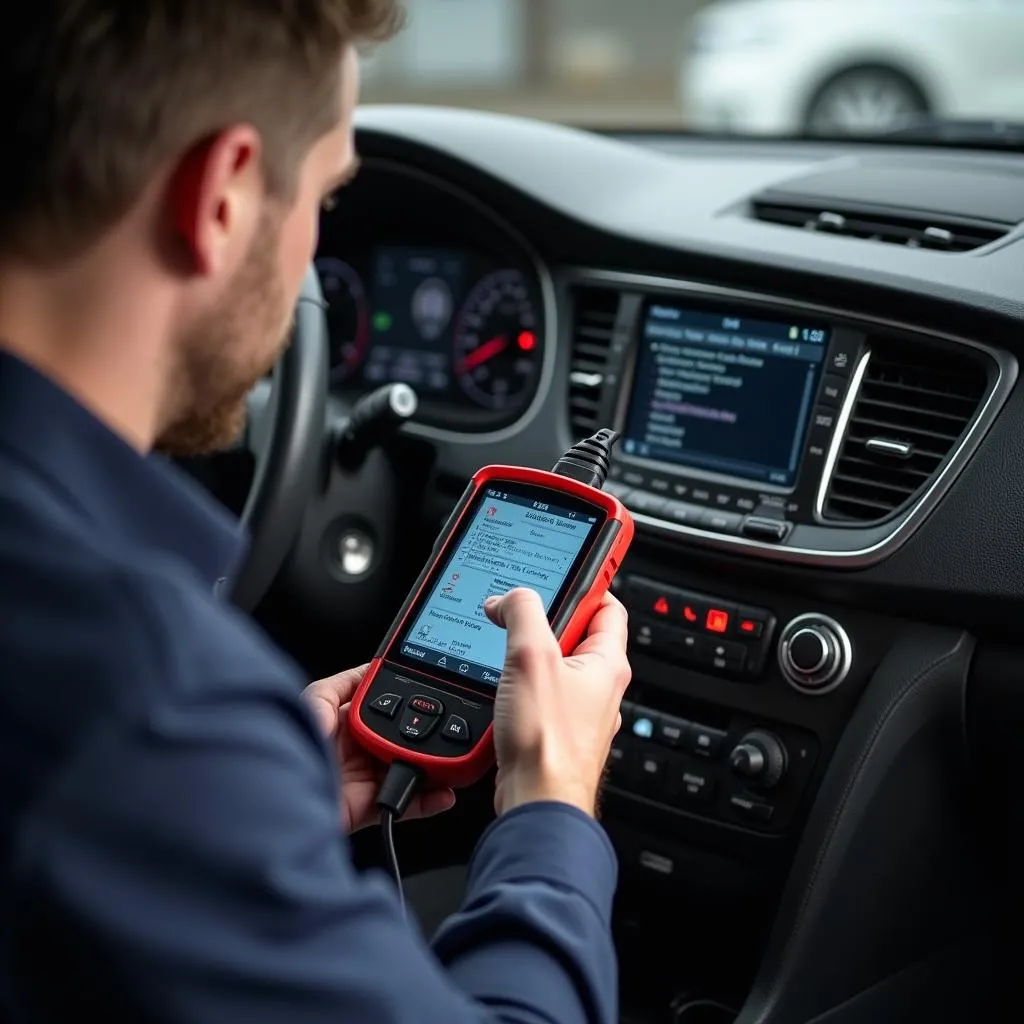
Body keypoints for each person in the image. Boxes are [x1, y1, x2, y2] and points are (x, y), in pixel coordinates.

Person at [0, 4, 633, 1022]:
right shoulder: (139, 697)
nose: (311, 254)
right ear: (222, 196)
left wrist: (251, 791)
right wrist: (551, 805)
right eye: (326, 197)